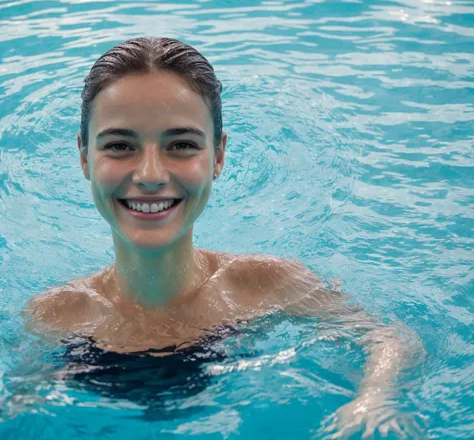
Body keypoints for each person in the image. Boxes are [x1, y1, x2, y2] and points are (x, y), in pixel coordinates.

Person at [24, 37, 422, 438]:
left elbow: (387, 339)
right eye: (119, 145)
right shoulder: (57, 315)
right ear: (84, 157)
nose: (149, 175)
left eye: (181, 144)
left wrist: (374, 398)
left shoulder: (265, 284)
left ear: (218, 157)